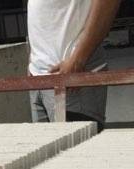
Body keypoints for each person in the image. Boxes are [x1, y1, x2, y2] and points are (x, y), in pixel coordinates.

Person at [27, 0, 120, 131]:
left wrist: (78, 60)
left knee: (77, 143)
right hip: (38, 77)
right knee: (47, 143)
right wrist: (32, 59)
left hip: (72, 78)